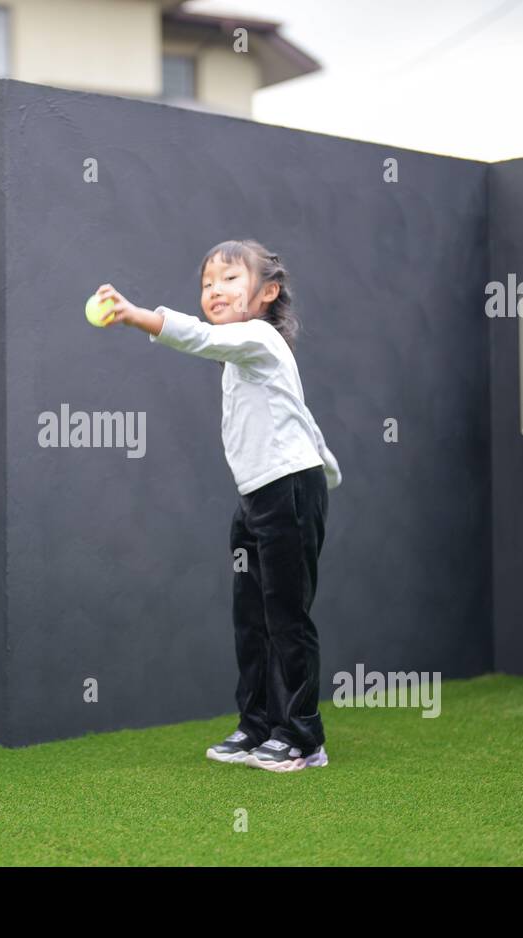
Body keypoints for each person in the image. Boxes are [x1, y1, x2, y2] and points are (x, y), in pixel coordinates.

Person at [96, 238, 341, 772]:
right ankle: (257, 727)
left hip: (288, 490)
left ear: (267, 293)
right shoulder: (242, 354)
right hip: (257, 494)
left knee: (286, 616)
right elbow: (293, 412)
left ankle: (302, 737)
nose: (214, 290)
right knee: (251, 617)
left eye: (230, 279)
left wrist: (138, 316)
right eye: (207, 283)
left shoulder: (259, 338)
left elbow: (202, 339)